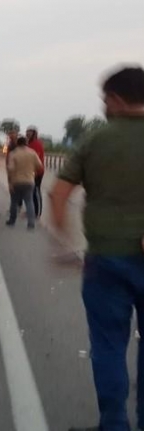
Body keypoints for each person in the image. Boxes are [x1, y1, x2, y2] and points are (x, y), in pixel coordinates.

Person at [53, 66, 144, 431]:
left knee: (108, 345)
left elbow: (58, 194)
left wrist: (67, 240)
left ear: (118, 100)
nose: (104, 106)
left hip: (105, 259)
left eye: (106, 99)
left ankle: (114, 423)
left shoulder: (96, 140)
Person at [6, 137, 42, 229]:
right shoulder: (32, 152)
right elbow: (39, 165)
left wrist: (10, 182)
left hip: (16, 181)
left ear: (17, 144)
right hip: (29, 181)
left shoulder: (13, 154)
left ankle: (12, 220)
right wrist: (32, 171)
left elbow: (10, 169)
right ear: (26, 143)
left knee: (14, 202)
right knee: (29, 202)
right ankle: (31, 223)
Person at [26, 126, 46, 218]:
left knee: (35, 191)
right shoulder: (29, 144)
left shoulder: (37, 144)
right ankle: (31, 211)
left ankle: (37, 212)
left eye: (30, 133)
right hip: (30, 172)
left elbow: (35, 158)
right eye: (27, 133)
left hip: (37, 172)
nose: (28, 134)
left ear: (34, 134)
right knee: (30, 192)